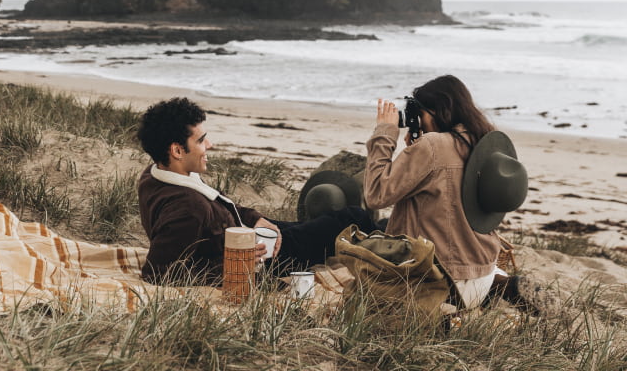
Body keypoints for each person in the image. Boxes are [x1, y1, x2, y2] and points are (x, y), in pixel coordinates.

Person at [137, 97, 376, 284]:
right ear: (177, 151)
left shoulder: (155, 174)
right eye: (201, 140)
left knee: (333, 222)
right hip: (267, 257)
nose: (210, 145)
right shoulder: (187, 207)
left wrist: (256, 218)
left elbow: (216, 209)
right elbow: (157, 274)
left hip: (243, 231)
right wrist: (237, 261)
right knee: (352, 218)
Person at [364, 75, 510, 309]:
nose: (418, 121)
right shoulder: (482, 141)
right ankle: (500, 285)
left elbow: (375, 195)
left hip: (445, 285)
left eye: (420, 114)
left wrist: (385, 133)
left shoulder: (432, 146)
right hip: (482, 275)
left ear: (438, 110)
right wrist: (415, 151)